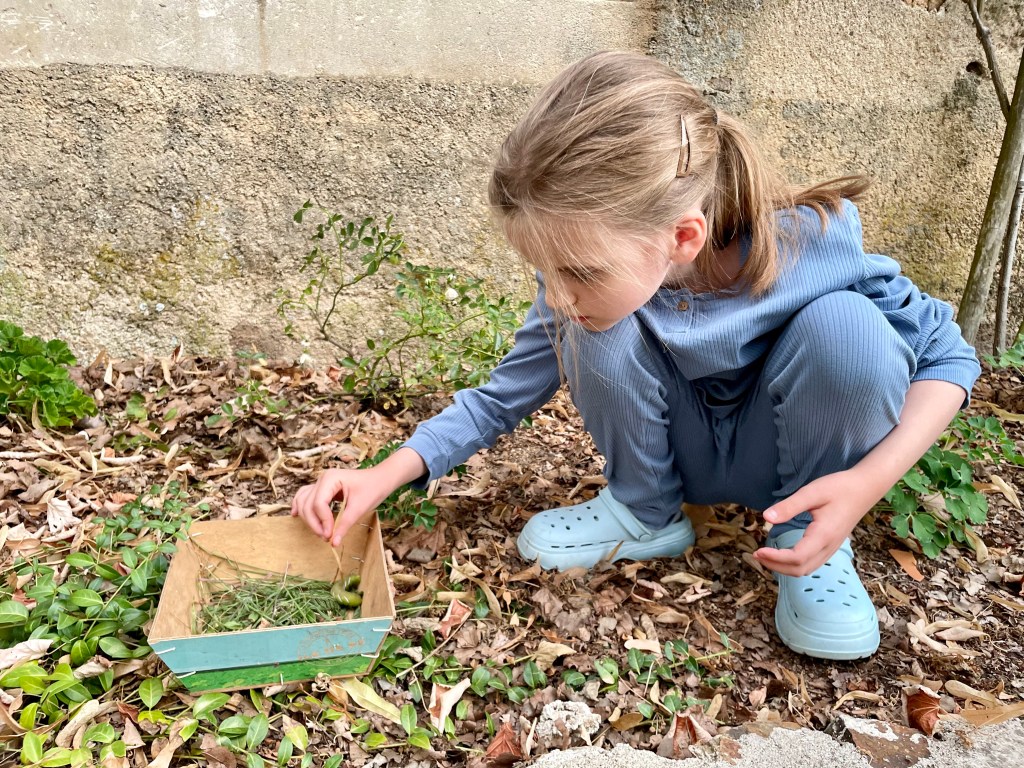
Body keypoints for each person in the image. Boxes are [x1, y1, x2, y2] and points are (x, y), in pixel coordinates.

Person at [291, 51, 981, 660]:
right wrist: (386, 474)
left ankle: (811, 546)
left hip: (793, 464)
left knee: (849, 329)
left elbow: (948, 360)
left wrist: (863, 489)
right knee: (597, 323)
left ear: (684, 235)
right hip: (678, 457)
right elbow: (506, 393)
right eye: (547, 272)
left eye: (578, 273)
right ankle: (644, 513)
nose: (559, 295)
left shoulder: (818, 244)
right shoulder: (597, 272)